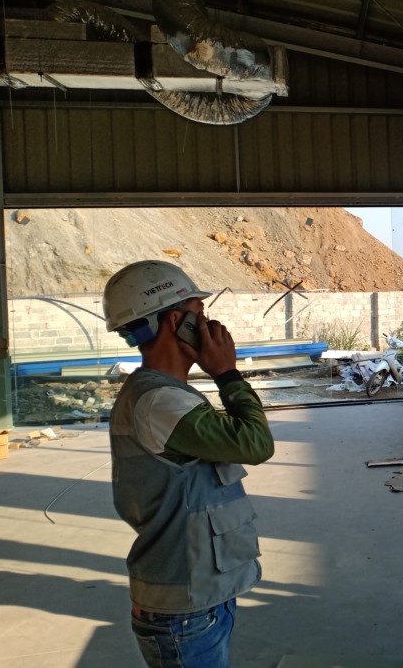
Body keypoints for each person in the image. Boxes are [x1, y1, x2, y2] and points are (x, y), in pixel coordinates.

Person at [102, 260, 274, 667]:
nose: (210, 325)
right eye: (200, 313)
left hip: (196, 598)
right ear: (177, 321)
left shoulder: (164, 393)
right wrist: (227, 374)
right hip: (184, 610)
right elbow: (255, 443)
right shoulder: (159, 401)